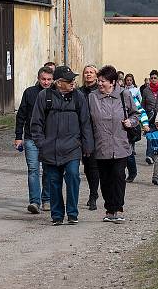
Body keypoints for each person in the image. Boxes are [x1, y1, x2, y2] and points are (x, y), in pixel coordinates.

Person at [31, 66, 94, 225]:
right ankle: (57, 216)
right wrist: (41, 143)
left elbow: (85, 122)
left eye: (73, 80)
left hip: (72, 147)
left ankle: (72, 213)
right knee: (54, 181)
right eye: (69, 80)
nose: (73, 82)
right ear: (59, 83)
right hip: (50, 147)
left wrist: (87, 145)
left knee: (73, 176)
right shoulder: (44, 97)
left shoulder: (79, 97)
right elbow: (36, 123)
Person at [88, 65, 140, 223]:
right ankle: (109, 209)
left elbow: (136, 114)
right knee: (104, 179)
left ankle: (118, 208)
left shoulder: (124, 95)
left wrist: (131, 122)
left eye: (103, 81)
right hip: (101, 144)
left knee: (118, 176)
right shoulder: (92, 97)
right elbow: (87, 120)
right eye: (99, 81)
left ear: (113, 82)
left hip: (120, 144)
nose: (100, 84)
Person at [15, 66, 54, 214]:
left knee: (48, 170)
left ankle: (47, 199)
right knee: (33, 170)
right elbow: (21, 116)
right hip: (31, 137)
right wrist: (18, 136)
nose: (46, 82)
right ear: (38, 78)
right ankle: (34, 201)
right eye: (43, 79)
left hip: (49, 139)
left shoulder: (56, 93)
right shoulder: (30, 93)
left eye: (49, 79)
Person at [79, 65, 101, 210]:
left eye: (91, 72)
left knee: (93, 166)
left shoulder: (99, 92)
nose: (88, 75)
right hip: (80, 132)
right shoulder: (78, 92)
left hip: (95, 133)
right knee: (86, 166)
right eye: (86, 72)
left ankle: (93, 195)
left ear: (96, 75)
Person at [122, 73, 149, 183]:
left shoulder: (130, 97)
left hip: (128, 129)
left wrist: (145, 124)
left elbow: (140, 112)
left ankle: (132, 172)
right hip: (116, 131)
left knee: (129, 153)